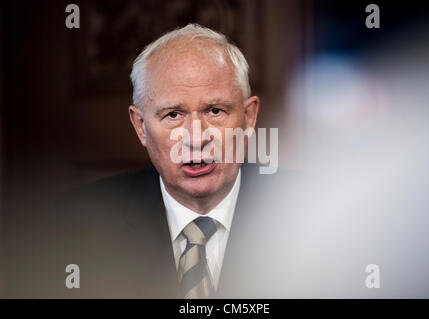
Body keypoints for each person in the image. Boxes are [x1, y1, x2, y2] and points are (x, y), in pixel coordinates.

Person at [40, 23, 293, 299]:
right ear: (140, 126)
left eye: (215, 110)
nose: (196, 139)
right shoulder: (76, 225)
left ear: (249, 118)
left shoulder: (310, 211)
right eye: (173, 115)